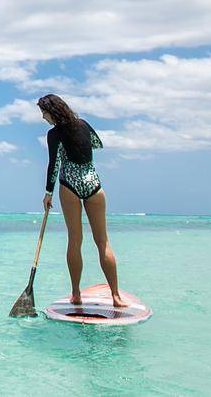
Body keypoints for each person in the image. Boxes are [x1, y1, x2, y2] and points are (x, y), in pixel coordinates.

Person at [39, 93, 125, 309]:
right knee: (102, 241)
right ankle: (115, 296)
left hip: (70, 185)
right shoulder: (83, 124)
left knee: (75, 240)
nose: (43, 117)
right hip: (93, 184)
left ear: (53, 111)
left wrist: (48, 193)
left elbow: (54, 164)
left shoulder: (54, 134)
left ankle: (76, 294)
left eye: (44, 112)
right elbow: (97, 144)